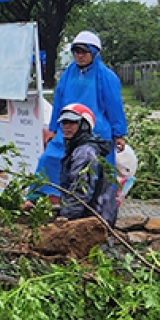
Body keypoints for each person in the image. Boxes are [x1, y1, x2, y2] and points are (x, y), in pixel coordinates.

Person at [33, 31, 126, 198]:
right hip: (67, 130)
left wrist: (119, 134)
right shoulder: (67, 74)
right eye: (76, 51)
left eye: (84, 51)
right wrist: (54, 128)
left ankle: (97, 204)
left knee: (92, 170)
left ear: (95, 52)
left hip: (96, 133)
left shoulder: (106, 77)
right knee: (49, 159)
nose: (79, 56)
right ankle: (36, 198)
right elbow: (59, 100)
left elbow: (114, 105)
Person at [53, 103, 118, 225]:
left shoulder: (85, 153)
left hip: (95, 220)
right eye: (64, 123)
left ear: (83, 126)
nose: (66, 127)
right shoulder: (75, 148)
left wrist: (64, 219)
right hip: (91, 216)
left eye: (72, 123)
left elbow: (80, 192)